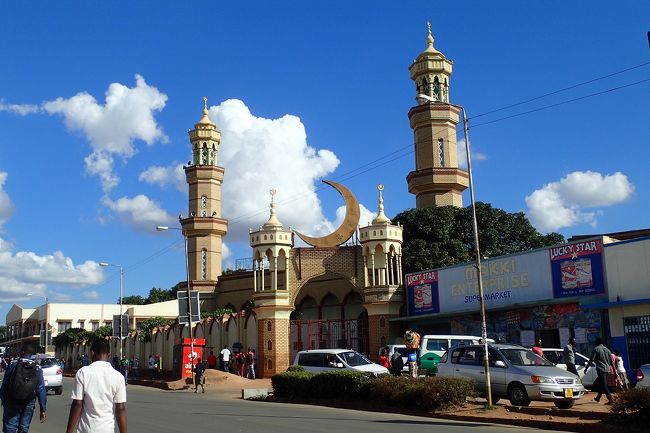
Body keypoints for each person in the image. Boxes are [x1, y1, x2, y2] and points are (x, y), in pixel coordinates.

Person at [65, 339, 127, 433]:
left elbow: (77, 404)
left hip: (86, 430)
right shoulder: (118, 377)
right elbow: (120, 409)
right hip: (107, 429)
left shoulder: (83, 373)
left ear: (92, 353)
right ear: (109, 354)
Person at [0, 342, 47, 433]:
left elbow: (5, 384)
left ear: (22, 351)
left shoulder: (13, 364)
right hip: (29, 402)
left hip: (12, 400)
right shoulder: (37, 367)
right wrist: (43, 408)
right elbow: (41, 388)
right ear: (32, 354)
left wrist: (4, 400)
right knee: (24, 428)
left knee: (10, 428)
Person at [585, 337, 614, 404]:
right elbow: (612, 362)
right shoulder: (608, 350)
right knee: (601, 384)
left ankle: (610, 399)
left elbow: (591, 360)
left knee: (604, 385)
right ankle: (598, 397)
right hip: (607, 370)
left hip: (601, 370)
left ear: (597, 342)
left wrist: (586, 368)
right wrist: (615, 372)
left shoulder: (596, 349)